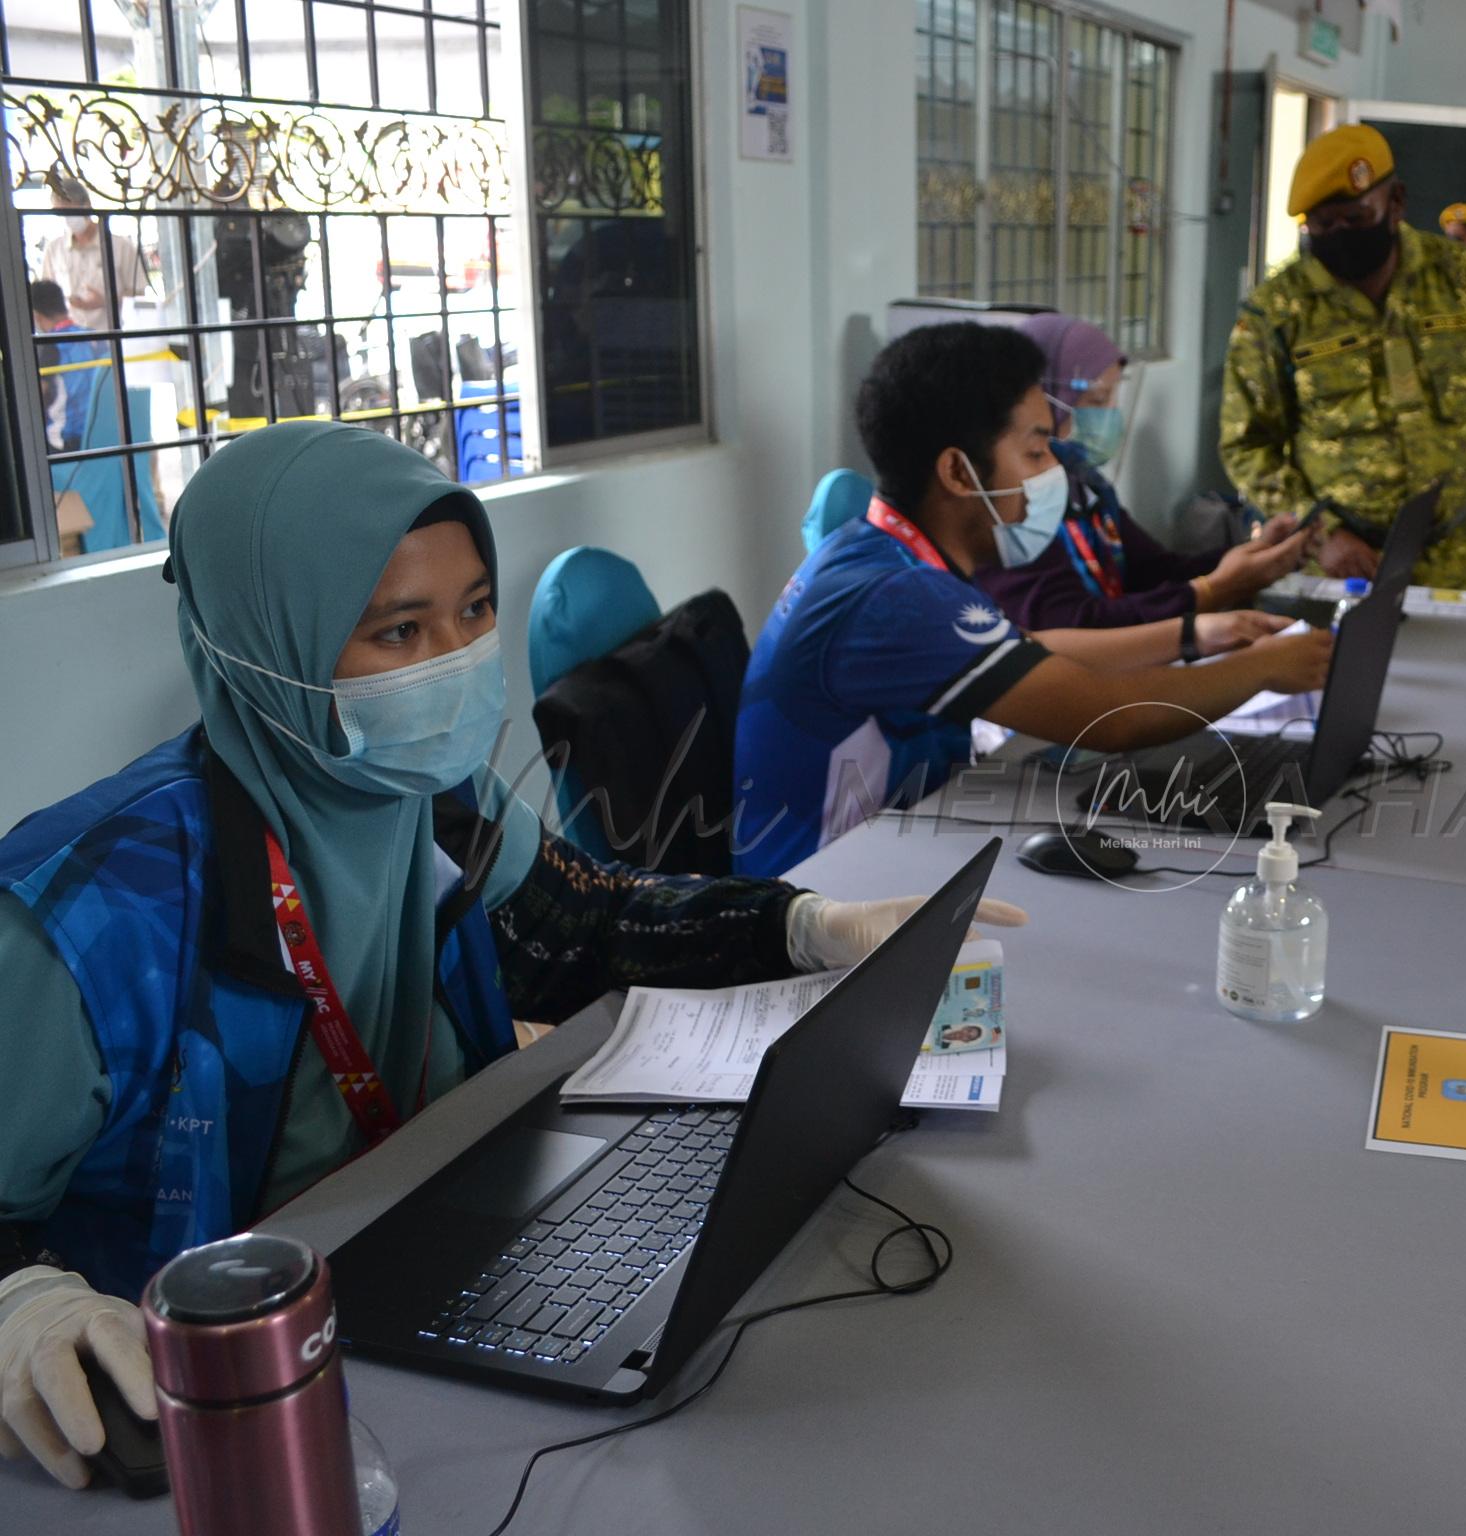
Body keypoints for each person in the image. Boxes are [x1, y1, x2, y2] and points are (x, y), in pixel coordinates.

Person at [0, 422, 1015, 1491]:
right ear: (268, 643)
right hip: (216, 1414)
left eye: (475, 611)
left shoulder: (433, 801)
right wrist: (24, 1305)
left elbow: (586, 927)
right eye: (398, 632)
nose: (455, 663)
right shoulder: (86, 911)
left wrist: (798, 926)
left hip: (442, 1271)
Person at [734, 323, 1332, 879]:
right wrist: (1265, 667)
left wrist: (1192, 636)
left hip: (888, 851)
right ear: (958, 472)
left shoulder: (883, 552)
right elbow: (1110, 718)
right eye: (1038, 451)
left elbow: (1026, 651)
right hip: (822, 895)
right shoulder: (898, 597)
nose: (1055, 474)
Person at [1220, 124, 1466, 592]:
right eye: (1322, 225)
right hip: (1339, 565)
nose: (1339, 236)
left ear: (1395, 203)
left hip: (1457, 555)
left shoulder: (1463, 280)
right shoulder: (1278, 312)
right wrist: (1320, 533)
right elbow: (1247, 446)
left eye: (1355, 219)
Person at [973, 312, 1312, 631]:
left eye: (1113, 398)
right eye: (1097, 400)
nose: (1110, 416)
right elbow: (1075, 626)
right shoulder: (1014, 504)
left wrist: (1253, 556)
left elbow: (1155, 571)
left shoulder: (1087, 486)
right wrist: (1215, 590)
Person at [38, 174, 147, 334]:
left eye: (70, 212)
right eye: (61, 214)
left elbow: (139, 294)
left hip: (113, 336)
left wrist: (106, 301)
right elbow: (47, 299)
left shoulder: (120, 246)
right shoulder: (54, 250)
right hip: (71, 342)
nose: (67, 220)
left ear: (86, 205)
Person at [28, 280, 104, 453]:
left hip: (67, 441)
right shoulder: (93, 336)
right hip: (103, 432)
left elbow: (35, 398)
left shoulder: (50, 346)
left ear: (36, 316)